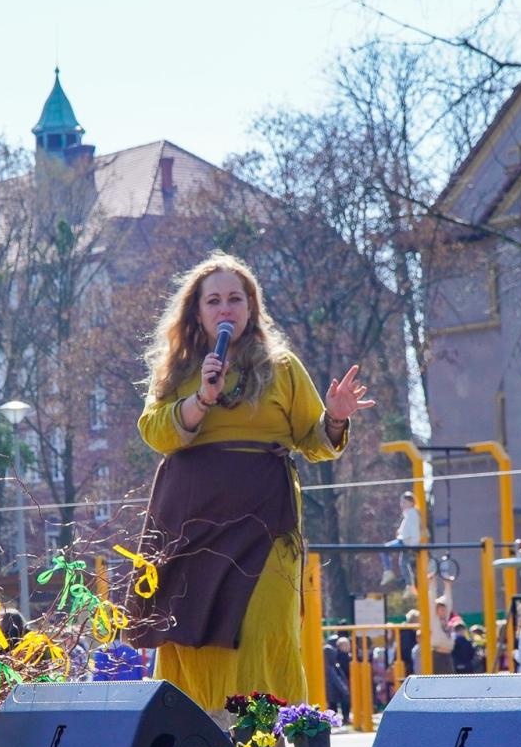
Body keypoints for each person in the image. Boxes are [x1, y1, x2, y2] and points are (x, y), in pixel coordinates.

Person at [126, 253, 372, 715]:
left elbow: (314, 442)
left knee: (262, 627)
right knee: (194, 637)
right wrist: (202, 397)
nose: (225, 309)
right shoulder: (179, 369)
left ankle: (265, 743)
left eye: (235, 299)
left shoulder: (283, 367)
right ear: (197, 312)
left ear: (251, 307)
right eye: (213, 300)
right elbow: (155, 432)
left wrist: (336, 418)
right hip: (190, 528)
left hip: (266, 525)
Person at [381, 492, 424, 587]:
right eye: (401, 502)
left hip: (406, 543)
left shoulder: (412, 514)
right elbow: (406, 530)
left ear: (411, 503)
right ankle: (409, 585)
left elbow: (414, 532)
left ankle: (388, 571)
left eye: (404, 502)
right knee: (403, 564)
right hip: (406, 542)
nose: (402, 504)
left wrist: (413, 545)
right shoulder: (408, 514)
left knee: (384, 549)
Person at [429, 601, 456, 674]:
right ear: (436, 611)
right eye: (442, 610)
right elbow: (431, 602)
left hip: (447, 655)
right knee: (438, 678)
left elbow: (449, 601)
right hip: (438, 655)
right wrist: (432, 589)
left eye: (445, 610)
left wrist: (448, 589)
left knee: (450, 678)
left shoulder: (446, 621)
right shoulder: (434, 621)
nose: (444, 612)